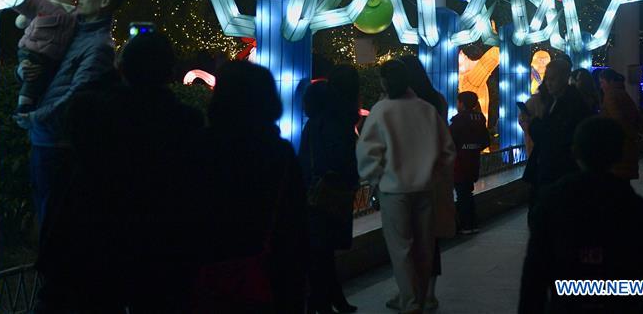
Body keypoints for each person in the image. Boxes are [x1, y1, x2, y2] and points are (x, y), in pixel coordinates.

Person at [36, 31, 204, 312]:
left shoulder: (94, 109)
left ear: (122, 67)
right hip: (156, 244)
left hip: (90, 239)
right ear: (169, 71)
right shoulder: (185, 121)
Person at [518, 117, 643, 314]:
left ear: (575, 151)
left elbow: (535, 268)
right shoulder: (631, 204)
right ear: (618, 154)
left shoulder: (553, 201)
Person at [191, 61, 307, 313]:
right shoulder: (279, 153)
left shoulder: (198, 147)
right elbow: (294, 223)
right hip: (265, 275)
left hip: (211, 273)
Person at [15, 0, 125, 227]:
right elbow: (38, 57)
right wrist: (23, 70)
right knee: (45, 210)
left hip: (58, 144)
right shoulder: (72, 27)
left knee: (54, 219)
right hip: (45, 137)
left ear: (104, 2)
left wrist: (35, 118)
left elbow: (77, 95)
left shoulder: (99, 46)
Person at [357, 60, 455, 314]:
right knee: (424, 248)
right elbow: (447, 150)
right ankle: (421, 298)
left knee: (402, 249)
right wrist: (433, 173)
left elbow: (368, 155)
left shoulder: (381, 110)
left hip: (394, 191)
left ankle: (410, 302)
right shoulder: (427, 109)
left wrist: (377, 180)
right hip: (425, 190)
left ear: (384, 82)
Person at [398, 55, 455, 311]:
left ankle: (408, 294)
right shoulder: (437, 100)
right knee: (430, 238)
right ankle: (430, 293)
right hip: (434, 177)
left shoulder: (400, 104)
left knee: (405, 240)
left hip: (405, 178)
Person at [299, 81, 359, 314]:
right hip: (338, 195)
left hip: (318, 196)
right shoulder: (340, 124)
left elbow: (308, 162)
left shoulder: (315, 126)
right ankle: (334, 299)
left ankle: (321, 303)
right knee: (324, 253)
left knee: (319, 253)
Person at [522, 59, 590, 222]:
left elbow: (553, 136)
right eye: (547, 79)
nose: (548, 83)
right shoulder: (557, 101)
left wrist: (533, 124)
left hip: (558, 171)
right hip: (552, 170)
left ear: (564, 78)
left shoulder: (570, 104)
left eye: (552, 79)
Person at [12, 0, 79, 114]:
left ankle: (28, 107)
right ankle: (24, 106)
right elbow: (22, 1)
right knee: (33, 76)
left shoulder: (77, 15)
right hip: (32, 51)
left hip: (52, 60)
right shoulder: (43, 3)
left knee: (38, 78)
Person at [449, 92, 490, 234]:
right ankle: (473, 223)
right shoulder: (480, 118)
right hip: (474, 161)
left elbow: (450, 142)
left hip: (460, 163)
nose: (457, 105)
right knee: (468, 192)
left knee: (462, 194)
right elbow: (486, 141)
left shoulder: (458, 120)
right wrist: (474, 148)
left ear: (462, 103)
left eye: (458, 102)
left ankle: (466, 225)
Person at [598, 68, 643, 181]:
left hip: (617, 146)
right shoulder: (623, 93)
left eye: (602, 82)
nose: (601, 86)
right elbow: (638, 117)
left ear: (610, 82)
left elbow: (617, 119)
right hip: (628, 145)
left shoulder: (610, 96)